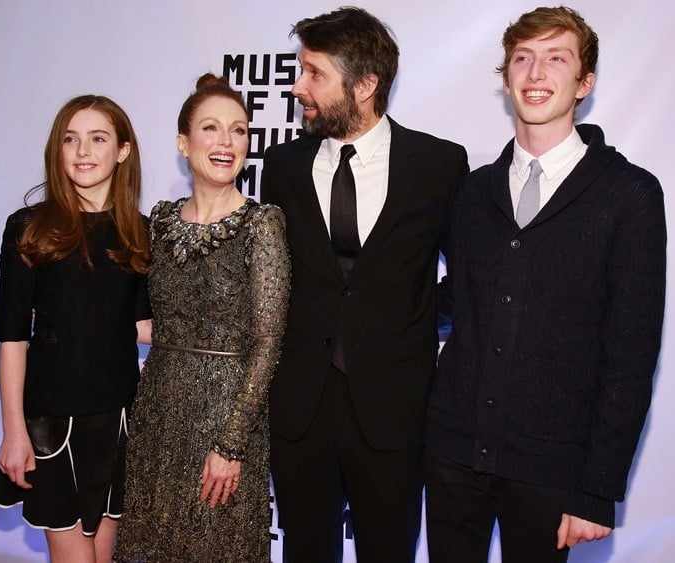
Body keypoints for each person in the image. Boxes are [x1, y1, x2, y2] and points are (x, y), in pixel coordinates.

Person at [425, 6, 666, 562]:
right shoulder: (473, 192)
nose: (536, 74)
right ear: (506, 79)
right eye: (523, 60)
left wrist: (598, 490)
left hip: (553, 471)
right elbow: (455, 302)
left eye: (556, 59)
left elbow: (630, 355)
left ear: (585, 82)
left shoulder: (628, 195)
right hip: (452, 456)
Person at [261, 7, 468, 562]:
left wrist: (413, 323)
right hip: (299, 406)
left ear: (366, 84)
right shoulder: (281, 166)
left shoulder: (439, 164)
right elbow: (269, 280)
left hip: (394, 408)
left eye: (313, 74)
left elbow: (470, 281)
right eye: (299, 70)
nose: (297, 86)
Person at [114, 73, 290, 562]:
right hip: (159, 412)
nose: (226, 142)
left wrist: (231, 445)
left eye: (238, 130)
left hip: (227, 416)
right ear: (183, 142)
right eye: (211, 128)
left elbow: (268, 342)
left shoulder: (262, 224)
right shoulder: (161, 221)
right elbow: (153, 321)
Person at [0, 95, 151, 563]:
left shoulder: (139, 232)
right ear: (57, 151)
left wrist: (221, 332)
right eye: (70, 139)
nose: (83, 150)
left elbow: (143, 326)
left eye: (98, 138)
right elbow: (13, 338)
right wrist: (13, 431)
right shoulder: (28, 229)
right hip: (49, 424)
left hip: (119, 421)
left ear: (122, 151)